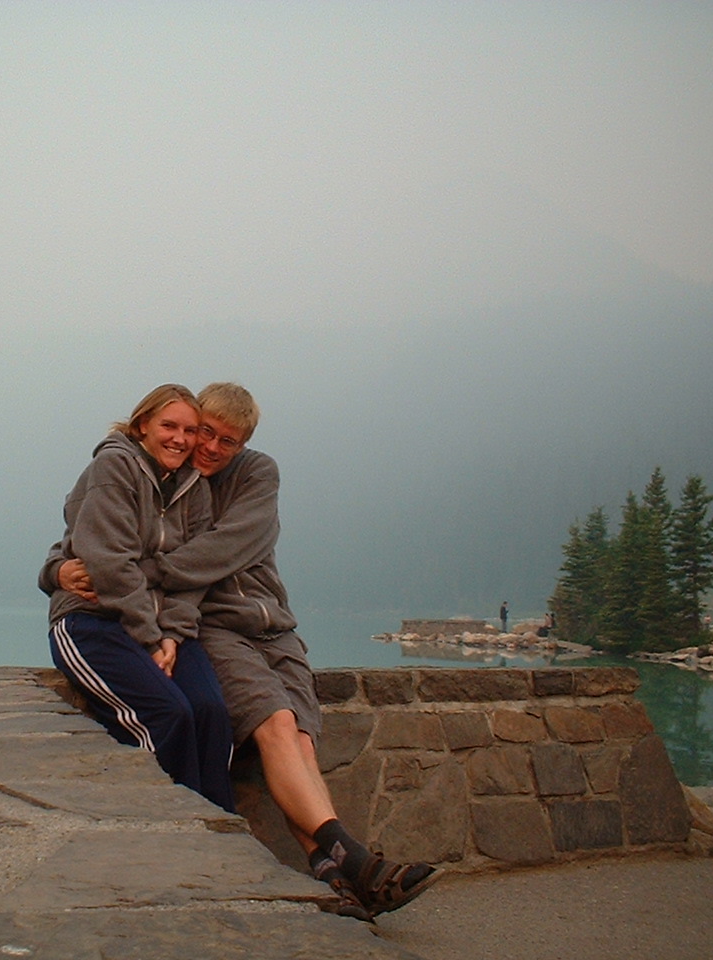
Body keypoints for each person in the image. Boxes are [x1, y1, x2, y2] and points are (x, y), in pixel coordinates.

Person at [45, 383, 438, 921]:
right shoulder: (144, 472)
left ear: (243, 443)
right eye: (199, 431)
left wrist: (145, 594)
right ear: (146, 426)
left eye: (223, 440)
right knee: (270, 723)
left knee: (298, 739)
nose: (205, 445)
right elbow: (90, 530)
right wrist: (58, 569)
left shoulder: (244, 477)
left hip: (266, 625)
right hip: (209, 628)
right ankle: (351, 860)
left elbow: (211, 555)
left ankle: (332, 873)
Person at [42, 383, 235, 812]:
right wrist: (150, 639)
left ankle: (220, 827)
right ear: (143, 424)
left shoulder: (195, 488)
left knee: (210, 713)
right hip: (93, 620)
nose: (180, 439)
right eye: (169, 426)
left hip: (162, 626)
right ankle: (171, 825)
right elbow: (110, 563)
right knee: (166, 715)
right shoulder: (114, 467)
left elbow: (194, 571)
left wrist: (171, 634)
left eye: (189, 430)